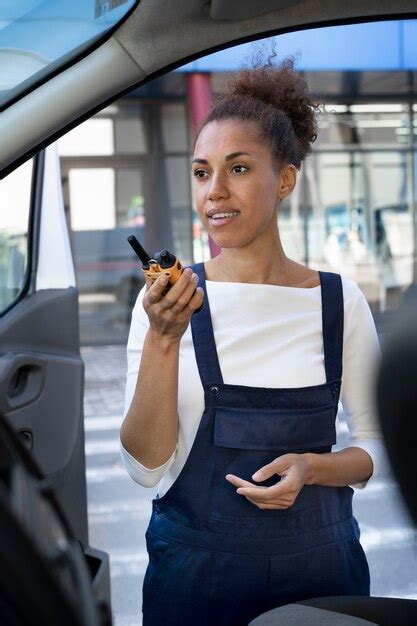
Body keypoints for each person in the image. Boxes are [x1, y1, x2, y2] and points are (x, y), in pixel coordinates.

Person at [119, 53, 388, 626]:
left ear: (285, 179)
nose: (214, 191)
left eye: (238, 169)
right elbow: (145, 469)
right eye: (201, 171)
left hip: (323, 583)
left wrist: (314, 469)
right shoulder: (166, 306)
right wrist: (163, 341)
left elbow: (375, 446)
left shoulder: (340, 303)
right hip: (193, 585)